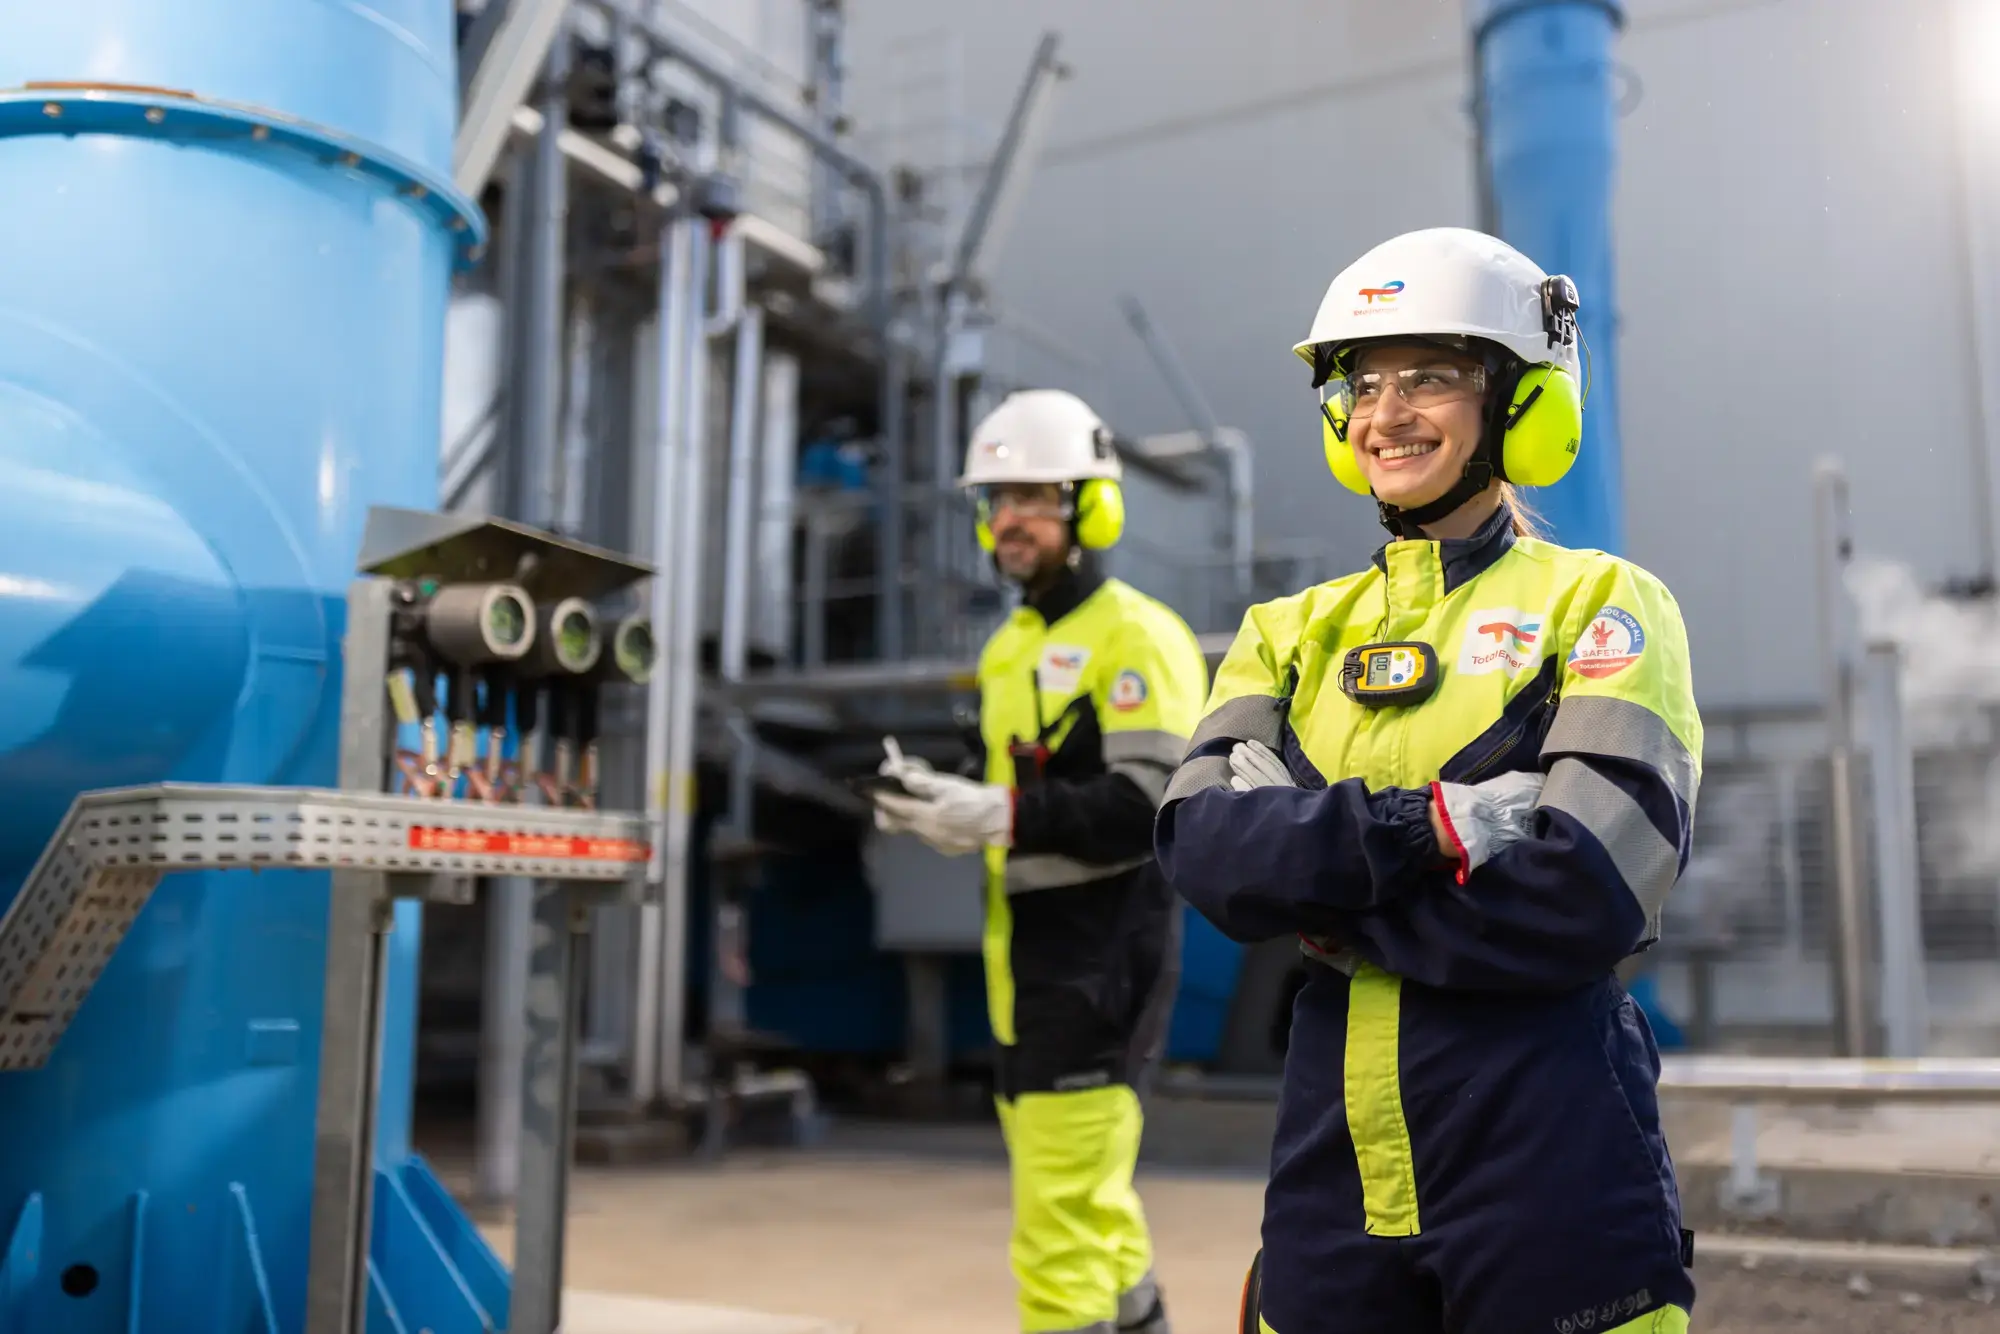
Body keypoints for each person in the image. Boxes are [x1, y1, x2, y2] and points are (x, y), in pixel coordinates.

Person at [1154, 228, 1703, 1334]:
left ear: (1520, 402)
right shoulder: (1285, 633)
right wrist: (1431, 829)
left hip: (1548, 1147)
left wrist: (1320, 893)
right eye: (1363, 384)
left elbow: (1584, 891)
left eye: (1431, 377)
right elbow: (1203, 853)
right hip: (1329, 1163)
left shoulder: (1601, 604)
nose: (1384, 413)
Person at [868, 388, 1209, 1334]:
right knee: (1088, 1202)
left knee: (1057, 1230)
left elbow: (1152, 806)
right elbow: (1028, 796)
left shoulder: (1138, 636)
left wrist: (1001, 813)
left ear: (1093, 507)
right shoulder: (1011, 645)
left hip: (1102, 958)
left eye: (1032, 497)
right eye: (995, 501)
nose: (1008, 521)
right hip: (1025, 964)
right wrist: (947, 805)